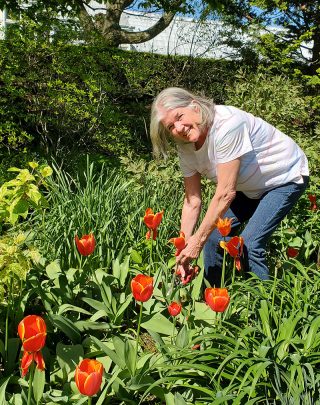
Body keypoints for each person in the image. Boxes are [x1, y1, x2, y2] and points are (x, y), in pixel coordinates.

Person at [150, 87, 309, 285]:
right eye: (171, 126)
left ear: (194, 105)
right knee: (211, 238)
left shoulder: (227, 125)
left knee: (249, 245)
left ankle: (265, 310)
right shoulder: (185, 147)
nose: (179, 128)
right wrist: (184, 248)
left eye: (179, 116)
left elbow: (225, 193)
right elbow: (192, 201)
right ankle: (212, 299)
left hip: (283, 177)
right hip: (247, 187)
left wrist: (195, 243)